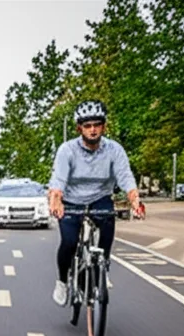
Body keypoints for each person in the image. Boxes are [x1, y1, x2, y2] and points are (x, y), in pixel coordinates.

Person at [47, 100, 144, 306]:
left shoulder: (114, 149)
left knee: (108, 225)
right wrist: (56, 200)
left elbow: (125, 176)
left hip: (100, 198)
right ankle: (63, 281)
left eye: (97, 125)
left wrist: (135, 200)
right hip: (72, 200)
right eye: (88, 126)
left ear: (104, 126)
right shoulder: (67, 150)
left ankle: (101, 269)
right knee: (69, 243)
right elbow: (59, 180)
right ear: (79, 128)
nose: (93, 130)